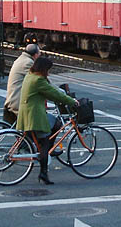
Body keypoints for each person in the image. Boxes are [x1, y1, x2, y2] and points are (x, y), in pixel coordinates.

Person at [17, 56, 77, 185]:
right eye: (48, 70)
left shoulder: (30, 75)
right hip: (34, 115)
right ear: (44, 69)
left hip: (29, 112)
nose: (48, 72)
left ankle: (49, 149)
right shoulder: (38, 80)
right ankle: (43, 172)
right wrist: (72, 101)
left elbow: (49, 91)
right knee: (44, 143)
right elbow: (53, 94)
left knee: (56, 123)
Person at [4, 43, 40, 124]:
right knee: (42, 121)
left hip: (13, 99)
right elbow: (40, 81)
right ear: (36, 55)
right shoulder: (28, 63)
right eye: (39, 54)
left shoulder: (21, 59)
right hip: (19, 102)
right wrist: (60, 92)